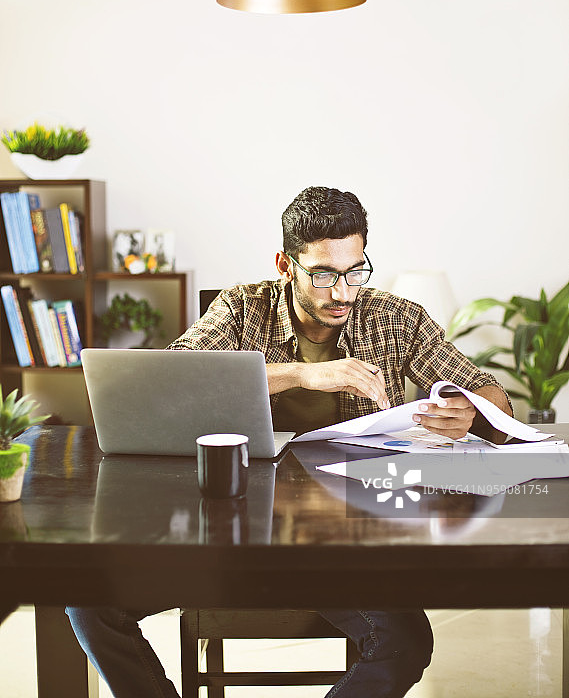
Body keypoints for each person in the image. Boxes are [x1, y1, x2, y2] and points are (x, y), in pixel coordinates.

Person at [67, 186, 512, 698]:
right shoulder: (241, 309)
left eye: (354, 271)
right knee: (88, 598)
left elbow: (490, 395)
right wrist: (302, 374)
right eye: (323, 274)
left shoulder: (396, 318)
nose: (342, 292)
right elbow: (170, 381)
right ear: (286, 263)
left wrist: (473, 411)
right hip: (228, 536)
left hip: (339, 543)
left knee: (405, 642)